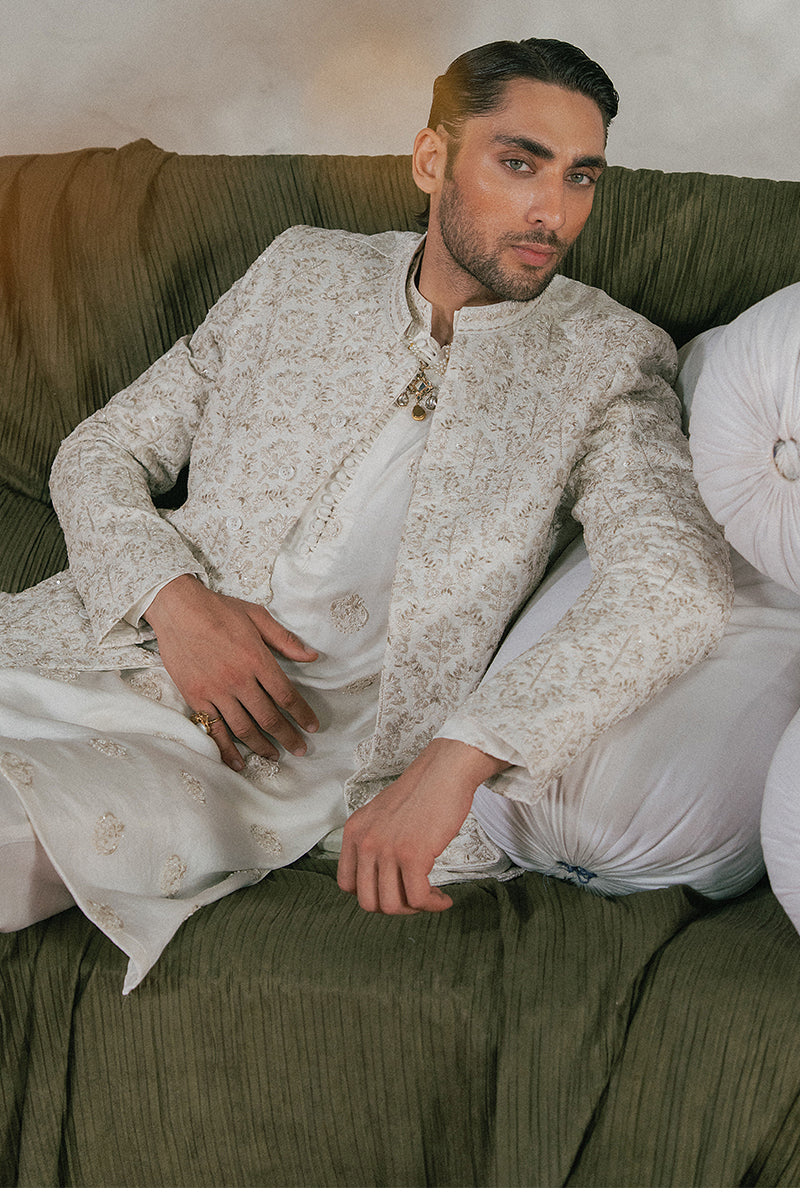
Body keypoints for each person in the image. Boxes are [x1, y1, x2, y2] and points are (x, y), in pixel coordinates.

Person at [0, 38, 731, 992]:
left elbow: (676, 584)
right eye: (520, 163)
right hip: (90, 646)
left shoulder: (607, 360)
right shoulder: (299, 271)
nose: (553, 211)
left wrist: (461, 756)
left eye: (581, 176)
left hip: (267, 758)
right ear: (432, 160)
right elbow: (101, 450)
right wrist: (175, 606)